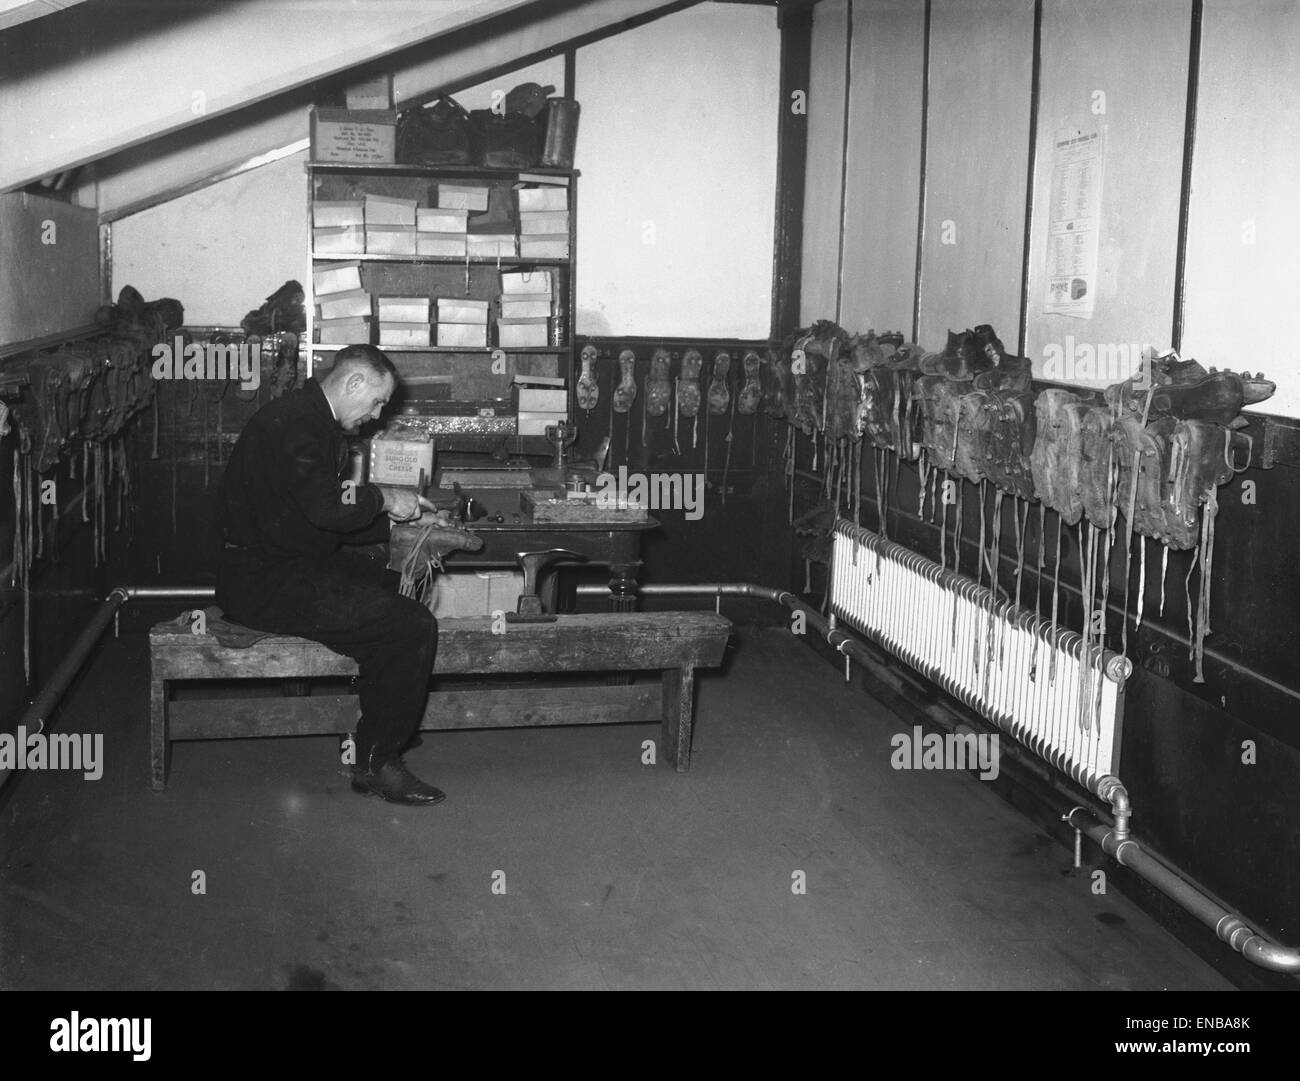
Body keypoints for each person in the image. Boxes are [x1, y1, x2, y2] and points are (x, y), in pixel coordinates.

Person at [216, 344, 445, 806]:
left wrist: (396, 523)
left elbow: (312, 518)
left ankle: (384, 715)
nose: (378, 415)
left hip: (284, 561)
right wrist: (385, 498)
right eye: (378, 401)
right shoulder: (301, 426)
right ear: (354, 383)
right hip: (262, 581)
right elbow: (326, 509)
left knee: (392, 584)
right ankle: (377, 761)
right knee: (410, 626)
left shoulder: (308, 419)